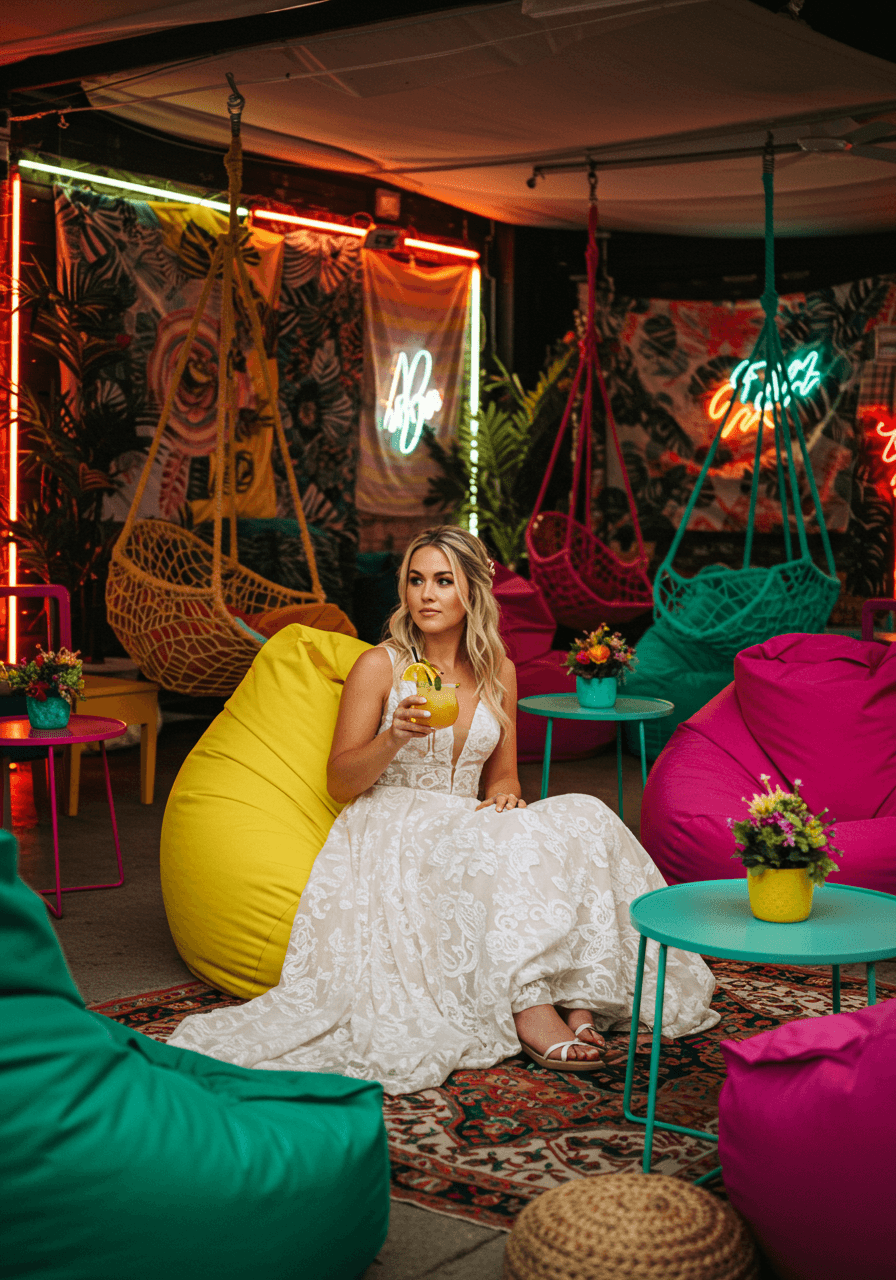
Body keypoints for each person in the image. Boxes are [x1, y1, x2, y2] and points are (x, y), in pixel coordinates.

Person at [169, 526, 717, 1093]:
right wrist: (394, 737)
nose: (426, 595)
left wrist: (505, 796)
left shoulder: (497, 670)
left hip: (465, 815)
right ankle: (532, 1011)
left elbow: (502, 771)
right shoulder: (381, 668)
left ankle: (583, 998)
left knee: (585, 813)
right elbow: (339, 780)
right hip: (396, 823)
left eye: (443, 581)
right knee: (506, 847)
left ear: (472, 593)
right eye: (415, 580)